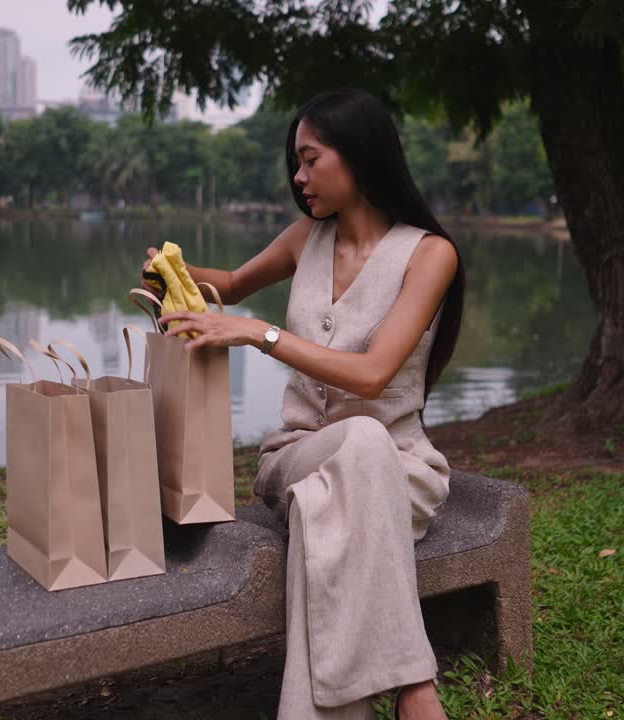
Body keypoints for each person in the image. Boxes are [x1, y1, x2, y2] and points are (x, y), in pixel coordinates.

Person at [141, 87, 464, 720]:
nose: (299, 175)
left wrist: (257, 333)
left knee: (352, 469)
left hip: (399, 470)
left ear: (360, 155)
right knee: (349, 456)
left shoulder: (431, 255)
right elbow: (230, 285)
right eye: (298, 161)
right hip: (296, 457)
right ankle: (414, 687)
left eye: (311, 159)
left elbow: (372, 377)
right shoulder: (305, 238)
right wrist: (169, 270)